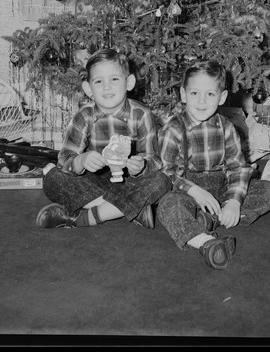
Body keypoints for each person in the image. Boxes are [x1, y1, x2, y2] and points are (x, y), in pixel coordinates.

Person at [156, 59, 270, 270]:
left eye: (210, 94)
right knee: (169, 206)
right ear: (183, 94)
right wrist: (194, 191)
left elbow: (238, 167)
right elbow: (167, 172)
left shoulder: (226, 127)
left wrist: (234, 201)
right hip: (188, 189)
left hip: (221, 185)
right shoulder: (174, 129)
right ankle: (205, 242)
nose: (202, 101)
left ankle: (212, 218)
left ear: (222, 97)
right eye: (195, 93)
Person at [36, 48, 171, 229]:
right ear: (88, 88)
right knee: (52, 178)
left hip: (129, 182)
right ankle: (130, 209)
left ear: (129, 82)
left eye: (114, 79)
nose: (107, 87)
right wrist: (81, 160)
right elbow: (65, 158)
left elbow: (154, 159)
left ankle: (86, 217)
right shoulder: (84, 115)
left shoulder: (142, 114)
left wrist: (141, 167)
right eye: (99, 81)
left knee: (160, 181)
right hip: (94, 180)